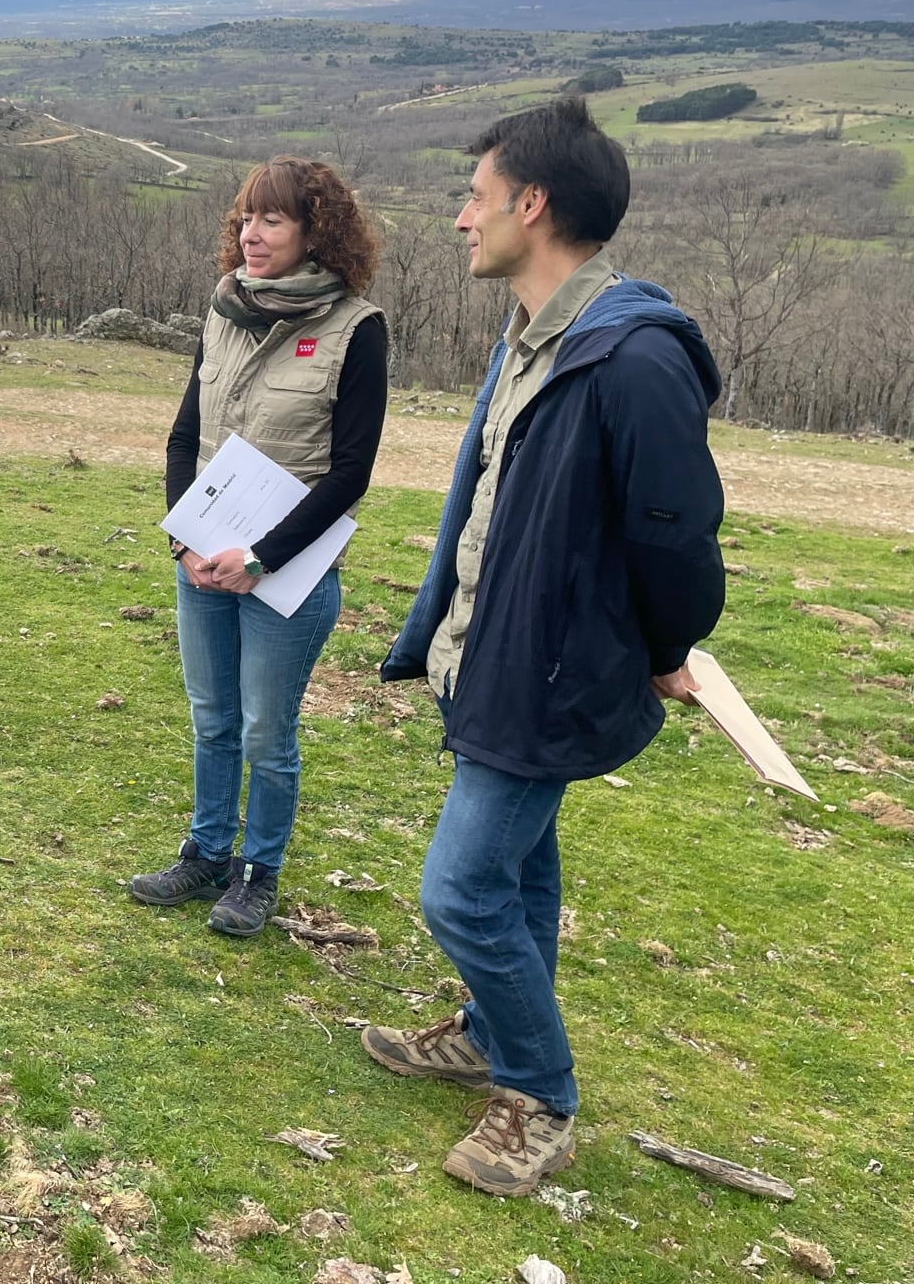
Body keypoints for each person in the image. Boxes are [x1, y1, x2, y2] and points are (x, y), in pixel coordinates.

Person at [363, 97, 725, 1197]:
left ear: (533, 204)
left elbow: (677, 537)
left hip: (551, 678)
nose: (459, 221)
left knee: (462, 890)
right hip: (498, 656)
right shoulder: (532, 336)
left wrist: (669, 648)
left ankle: (541, 1094)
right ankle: (486, 1027)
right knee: (515, 870)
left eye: (475, 200)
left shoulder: (629, 362)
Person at [130, 157, 387, 938]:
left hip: (288, 577)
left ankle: (257, 870)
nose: (251, 232)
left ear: (317, 233)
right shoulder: (221, 313)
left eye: (271, 219)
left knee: (267, 733)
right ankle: (206, 852)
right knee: (212, 719)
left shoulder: (355, 329)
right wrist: (185, 540)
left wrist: (263, 557)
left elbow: (350, 472)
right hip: (202, 564)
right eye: (245, 217)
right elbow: (184, 437)